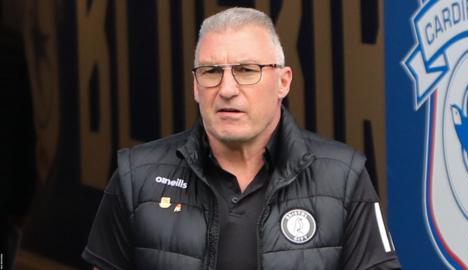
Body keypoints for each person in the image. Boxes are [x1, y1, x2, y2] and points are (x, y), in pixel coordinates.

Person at [82, 7, 401, 270]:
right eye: (210, 72)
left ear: (283, 82)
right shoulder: (135, 176)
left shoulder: (343, 177)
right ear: (195, 86)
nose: (227, 89)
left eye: (247, 70)